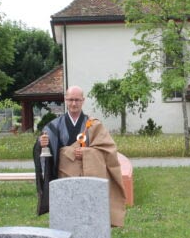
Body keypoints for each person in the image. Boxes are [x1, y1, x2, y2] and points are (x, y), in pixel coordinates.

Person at [33, 85, 126, 227]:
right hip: (63, 178)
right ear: (65, 100)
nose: (74, 103)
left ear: (83, 100)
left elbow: (109, 150)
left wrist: (88, 153)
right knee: (67, 216)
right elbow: (43, 150)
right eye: (70, 100)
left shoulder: (93, 125)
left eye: (77, 100)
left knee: (88, 217)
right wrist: (41, 143)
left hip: (87, 177)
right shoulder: (53, 126)